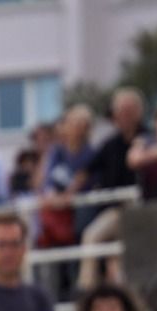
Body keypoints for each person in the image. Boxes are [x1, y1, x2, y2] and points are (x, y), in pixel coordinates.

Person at [74, 88, 146, 288]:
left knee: (119, 255)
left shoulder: (148, 138)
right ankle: (86, 291)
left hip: (142, 210)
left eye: (129, 111)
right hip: (115, 211)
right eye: (121, 111)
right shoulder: (110, 144)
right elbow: (85, 171)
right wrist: (66, 193)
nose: (124, 116)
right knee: (92, 237)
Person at [40, 105, 95, 250]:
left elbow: (86, 181)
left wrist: (68, 196)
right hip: (56, 207)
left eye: (82, 126)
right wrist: (53, 196)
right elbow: (48, 180)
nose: (77, 130)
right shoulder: (57, 151)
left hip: (78, 207)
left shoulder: (91, 154)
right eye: (74, 124)